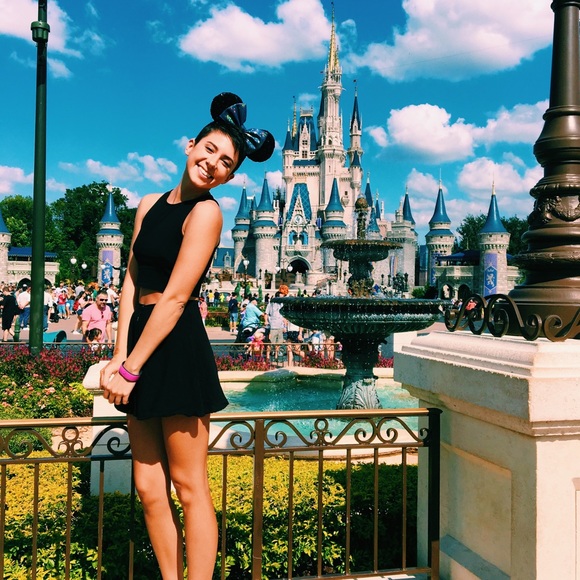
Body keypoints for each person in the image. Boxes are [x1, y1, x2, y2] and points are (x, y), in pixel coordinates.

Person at [99, 92, 274, 579]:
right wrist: (119, 355)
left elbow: (176, 298)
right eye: (209, 149)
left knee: (188, 484)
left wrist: (131, 368)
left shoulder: (207, 214)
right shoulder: (148, 205)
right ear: (190, 145)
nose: (213, 163)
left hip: (176, 346)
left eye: (226, 162)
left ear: (230, 177)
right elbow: (131, 279)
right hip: (140, 339)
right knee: (149, 487)